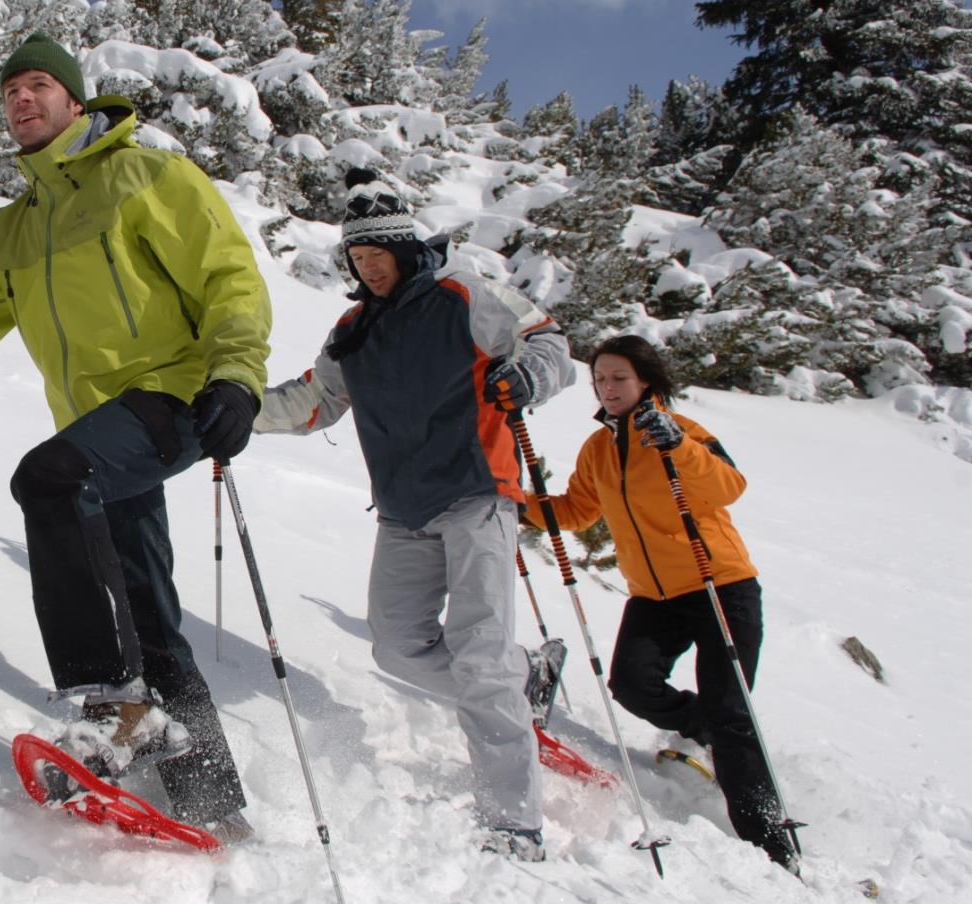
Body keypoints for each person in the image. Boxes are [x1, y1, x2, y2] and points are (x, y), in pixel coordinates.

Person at [0, 32, 272, 842]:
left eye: (38, 85)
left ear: (76, 99)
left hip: (175, 394)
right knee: (146, 614)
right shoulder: (9, 231)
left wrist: (237, 375)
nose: (22, 100)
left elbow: (228, 276)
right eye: (9, 92)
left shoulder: (146, 175)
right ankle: (215, 806)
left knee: (47, 479)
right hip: (98, 434)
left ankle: (111, 705)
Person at [253, 169, 576, 860]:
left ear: (406, 250)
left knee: (479, 654)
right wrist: (234, 412)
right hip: (403, 509)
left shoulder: (463, 295)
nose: (369, 270)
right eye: (358, 260)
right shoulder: (351, 330)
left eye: (378, 257)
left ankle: (513, 820)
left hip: (477, 491)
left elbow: (549, 343)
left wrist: (527, 378)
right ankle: (527, 680)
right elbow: (313, 401)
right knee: (397, 645)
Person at [520, 334, 793, 870]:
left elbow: (728, 486)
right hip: (655, 594)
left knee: (732, 714)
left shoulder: (683, 433)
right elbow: (576, 510)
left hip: (720, 584)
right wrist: (514, 504)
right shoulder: (598, 448)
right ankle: (705, 734)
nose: (608, 387)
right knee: (631, 683)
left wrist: (678, 446)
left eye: (619, 377)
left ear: (645, 380)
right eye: (600, 379)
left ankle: (771, 845)